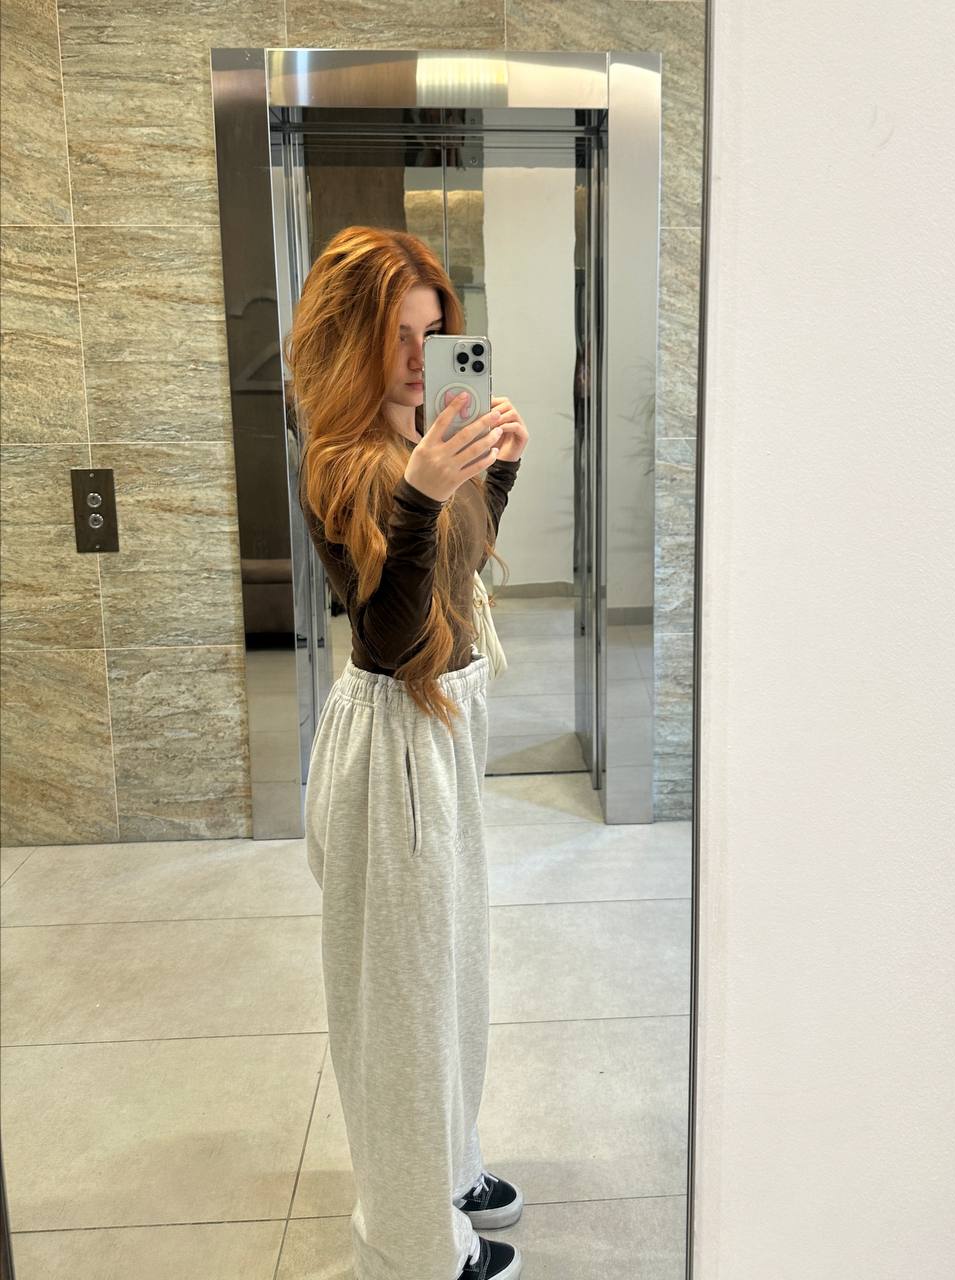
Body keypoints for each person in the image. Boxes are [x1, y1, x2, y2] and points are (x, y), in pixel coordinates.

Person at [286, 225, 530, 1280]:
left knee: (451, 976)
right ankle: (412, 1241)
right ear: (351, 337)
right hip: (394, 746)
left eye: (432, 333)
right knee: (402, 1005)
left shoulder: (423, 434)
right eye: (397, 336)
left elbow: (451, 577)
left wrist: (492, 478)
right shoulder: (341, 462)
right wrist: (422, 493)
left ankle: (446, 1164)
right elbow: (387, 640)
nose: (421, 359)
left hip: (443, 735)